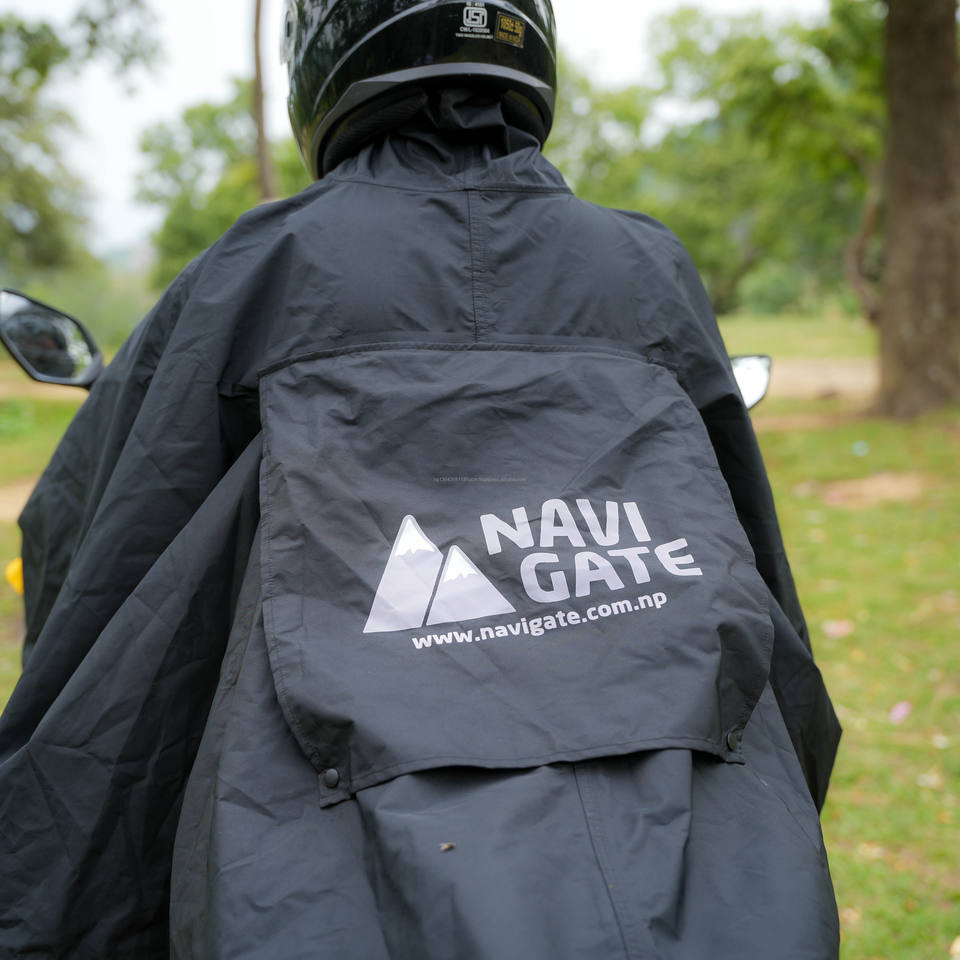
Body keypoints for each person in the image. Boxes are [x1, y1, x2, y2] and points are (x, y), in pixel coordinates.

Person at [0, 1, 841, 957]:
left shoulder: (258, 268)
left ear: (321, 57)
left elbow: (104, 545)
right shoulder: (647, 267)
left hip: (313, 892)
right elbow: (754, 571)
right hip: (715, 881)